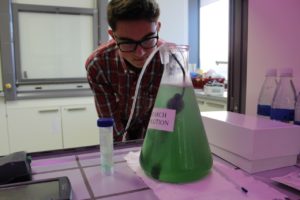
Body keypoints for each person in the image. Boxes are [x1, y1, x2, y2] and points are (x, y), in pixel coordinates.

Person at [85, 0, 165, 142]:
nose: (140, 53)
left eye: (147, 40)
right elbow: (110, 123)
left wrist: (154, 147)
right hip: (119, 130)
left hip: (155, 133)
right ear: (113, 36)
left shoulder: (170, 61)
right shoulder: (99, 64)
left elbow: (166, 118)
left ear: (157, 28)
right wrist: (123, 153)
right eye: (128, 42)